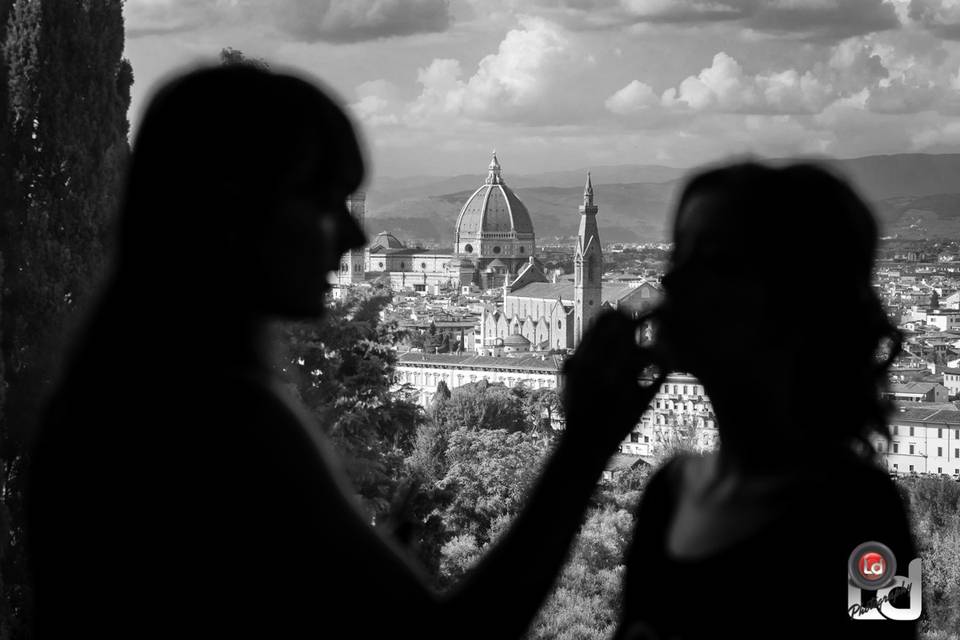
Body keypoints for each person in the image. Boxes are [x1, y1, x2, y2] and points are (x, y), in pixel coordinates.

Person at [24, 64, 661, 639]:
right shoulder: (219, 420)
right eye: (325, 199)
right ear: (236, 206)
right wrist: (583, 447)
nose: (357, 233)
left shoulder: (116, 393)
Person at [602, 161, 919, 640]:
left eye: (708, 260)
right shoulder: (667, 491)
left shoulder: (864, 510)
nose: (673, 282)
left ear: (791, 298)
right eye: (678, 256)